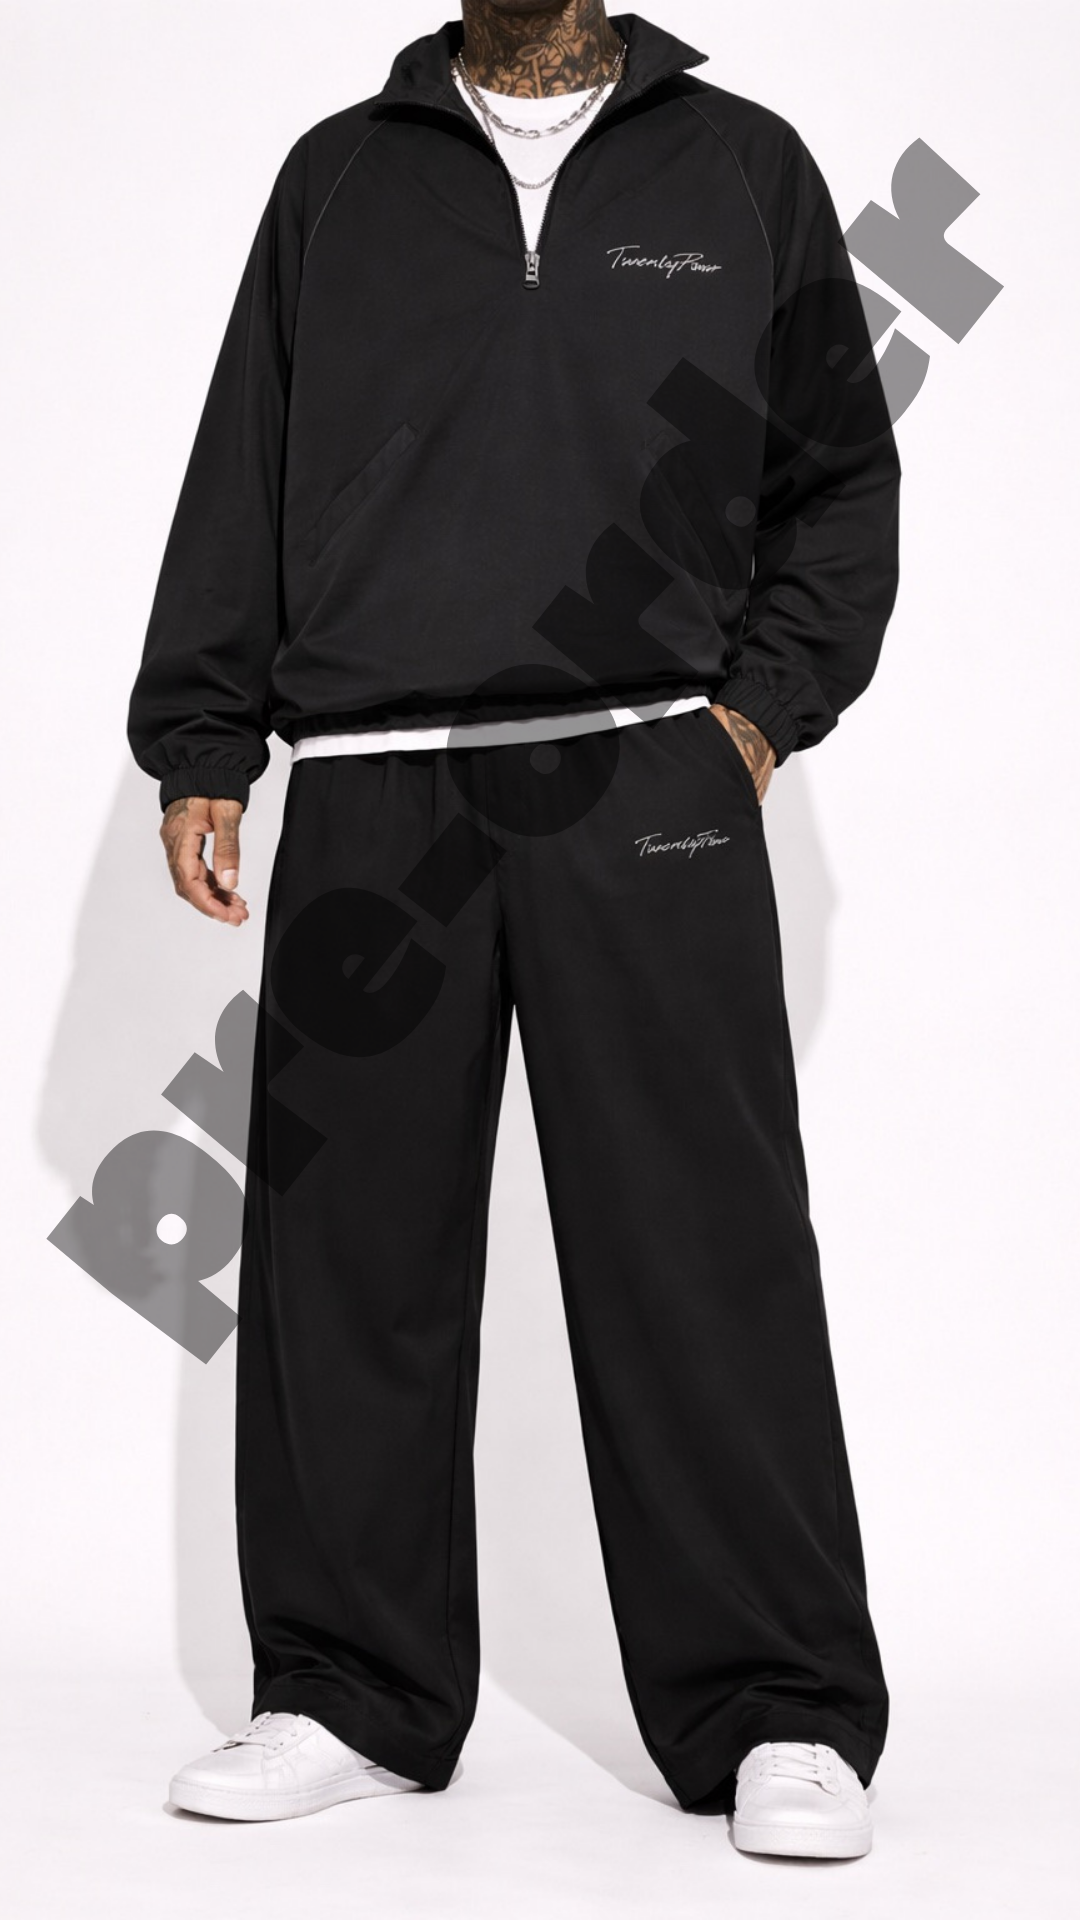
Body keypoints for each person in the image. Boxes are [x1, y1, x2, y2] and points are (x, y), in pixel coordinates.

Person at [128, 1, 900, 1860]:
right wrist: (204, 733)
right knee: (345, 1259)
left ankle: (779, 1708)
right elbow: (247, 455)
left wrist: (754, 717)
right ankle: (347, 1689)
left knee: (697, 1239)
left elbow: (837, 479)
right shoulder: (340, 179)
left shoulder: (741, 167)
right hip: (375, 780)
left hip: (642, 771)